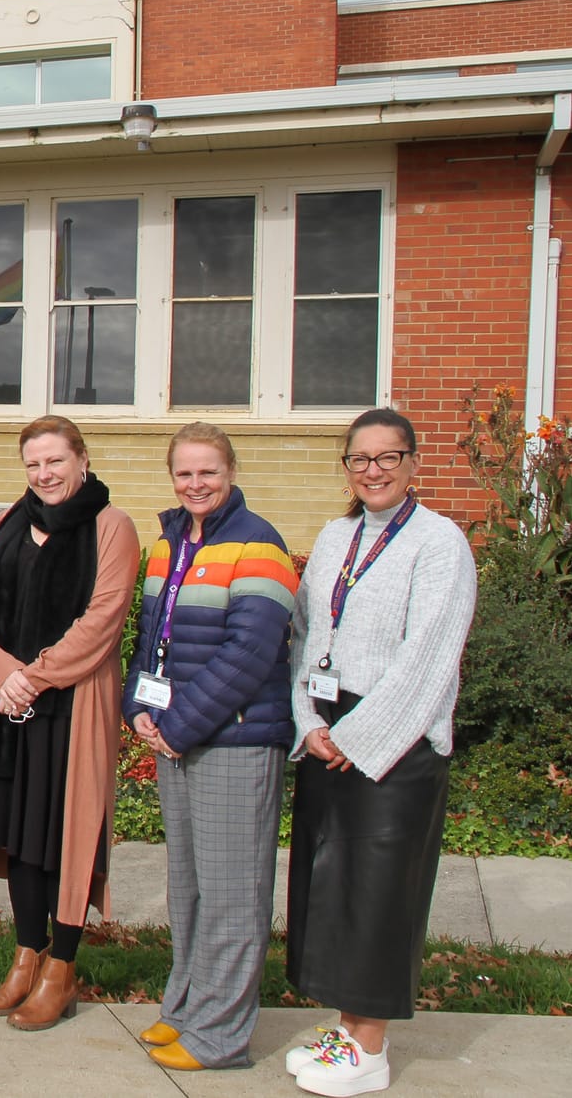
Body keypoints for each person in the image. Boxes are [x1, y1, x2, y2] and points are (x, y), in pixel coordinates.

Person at [281, 409, 476, 1097]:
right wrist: (309, 721)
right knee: (331, 886)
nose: (373, 470)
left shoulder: (439, 542)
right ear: (347, 467)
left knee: (379, 893)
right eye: (360, 459)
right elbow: (304, 634)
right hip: (328, 728)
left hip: (395, 742)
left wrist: (359, 739)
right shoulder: (337, 536)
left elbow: (429, 653)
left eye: (387, 456)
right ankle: (345, 1026)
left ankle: (372, 1047)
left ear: (413, 462)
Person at [121, 423, 298, 1071]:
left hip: (236, 739)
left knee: (232, 890)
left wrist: (180, 723)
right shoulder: (169, 544)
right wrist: (139, 707)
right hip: (178, 738)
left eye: (209, 471)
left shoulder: (260, 543)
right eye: (186, 473)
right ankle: (187, 1008)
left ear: (230, 471)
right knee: (189, 886)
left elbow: (249, 654)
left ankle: (221, 1034)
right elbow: (152, 641)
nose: (197, 483)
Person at [0, 414, 139, 1031]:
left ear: (82, 460)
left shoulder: (110, 527)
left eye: (55, 461)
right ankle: (25, 958)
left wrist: (30, 678)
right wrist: (2, 669)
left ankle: (61, 967)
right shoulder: (9, 522)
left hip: (71, 707)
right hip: (7, 712)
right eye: (34, 464)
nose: (45, 474)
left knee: (63, 837)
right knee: (17, 835)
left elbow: (103, 618)